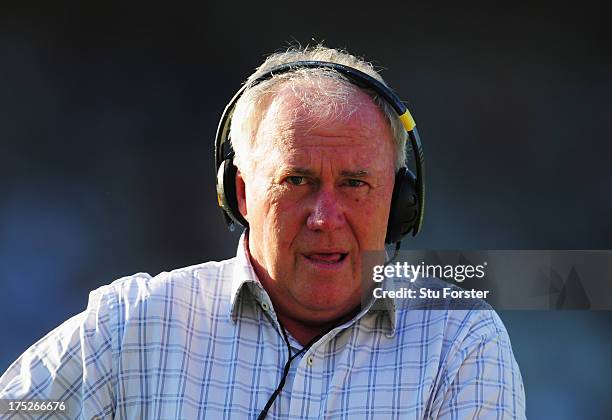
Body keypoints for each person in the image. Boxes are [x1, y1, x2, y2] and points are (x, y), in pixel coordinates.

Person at [0, 45, 526, 419]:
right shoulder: (133, 323)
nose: (325, 216)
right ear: (242, 193)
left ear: (399, 202)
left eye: (355, 184)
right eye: (296, 180)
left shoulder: (458, 343)